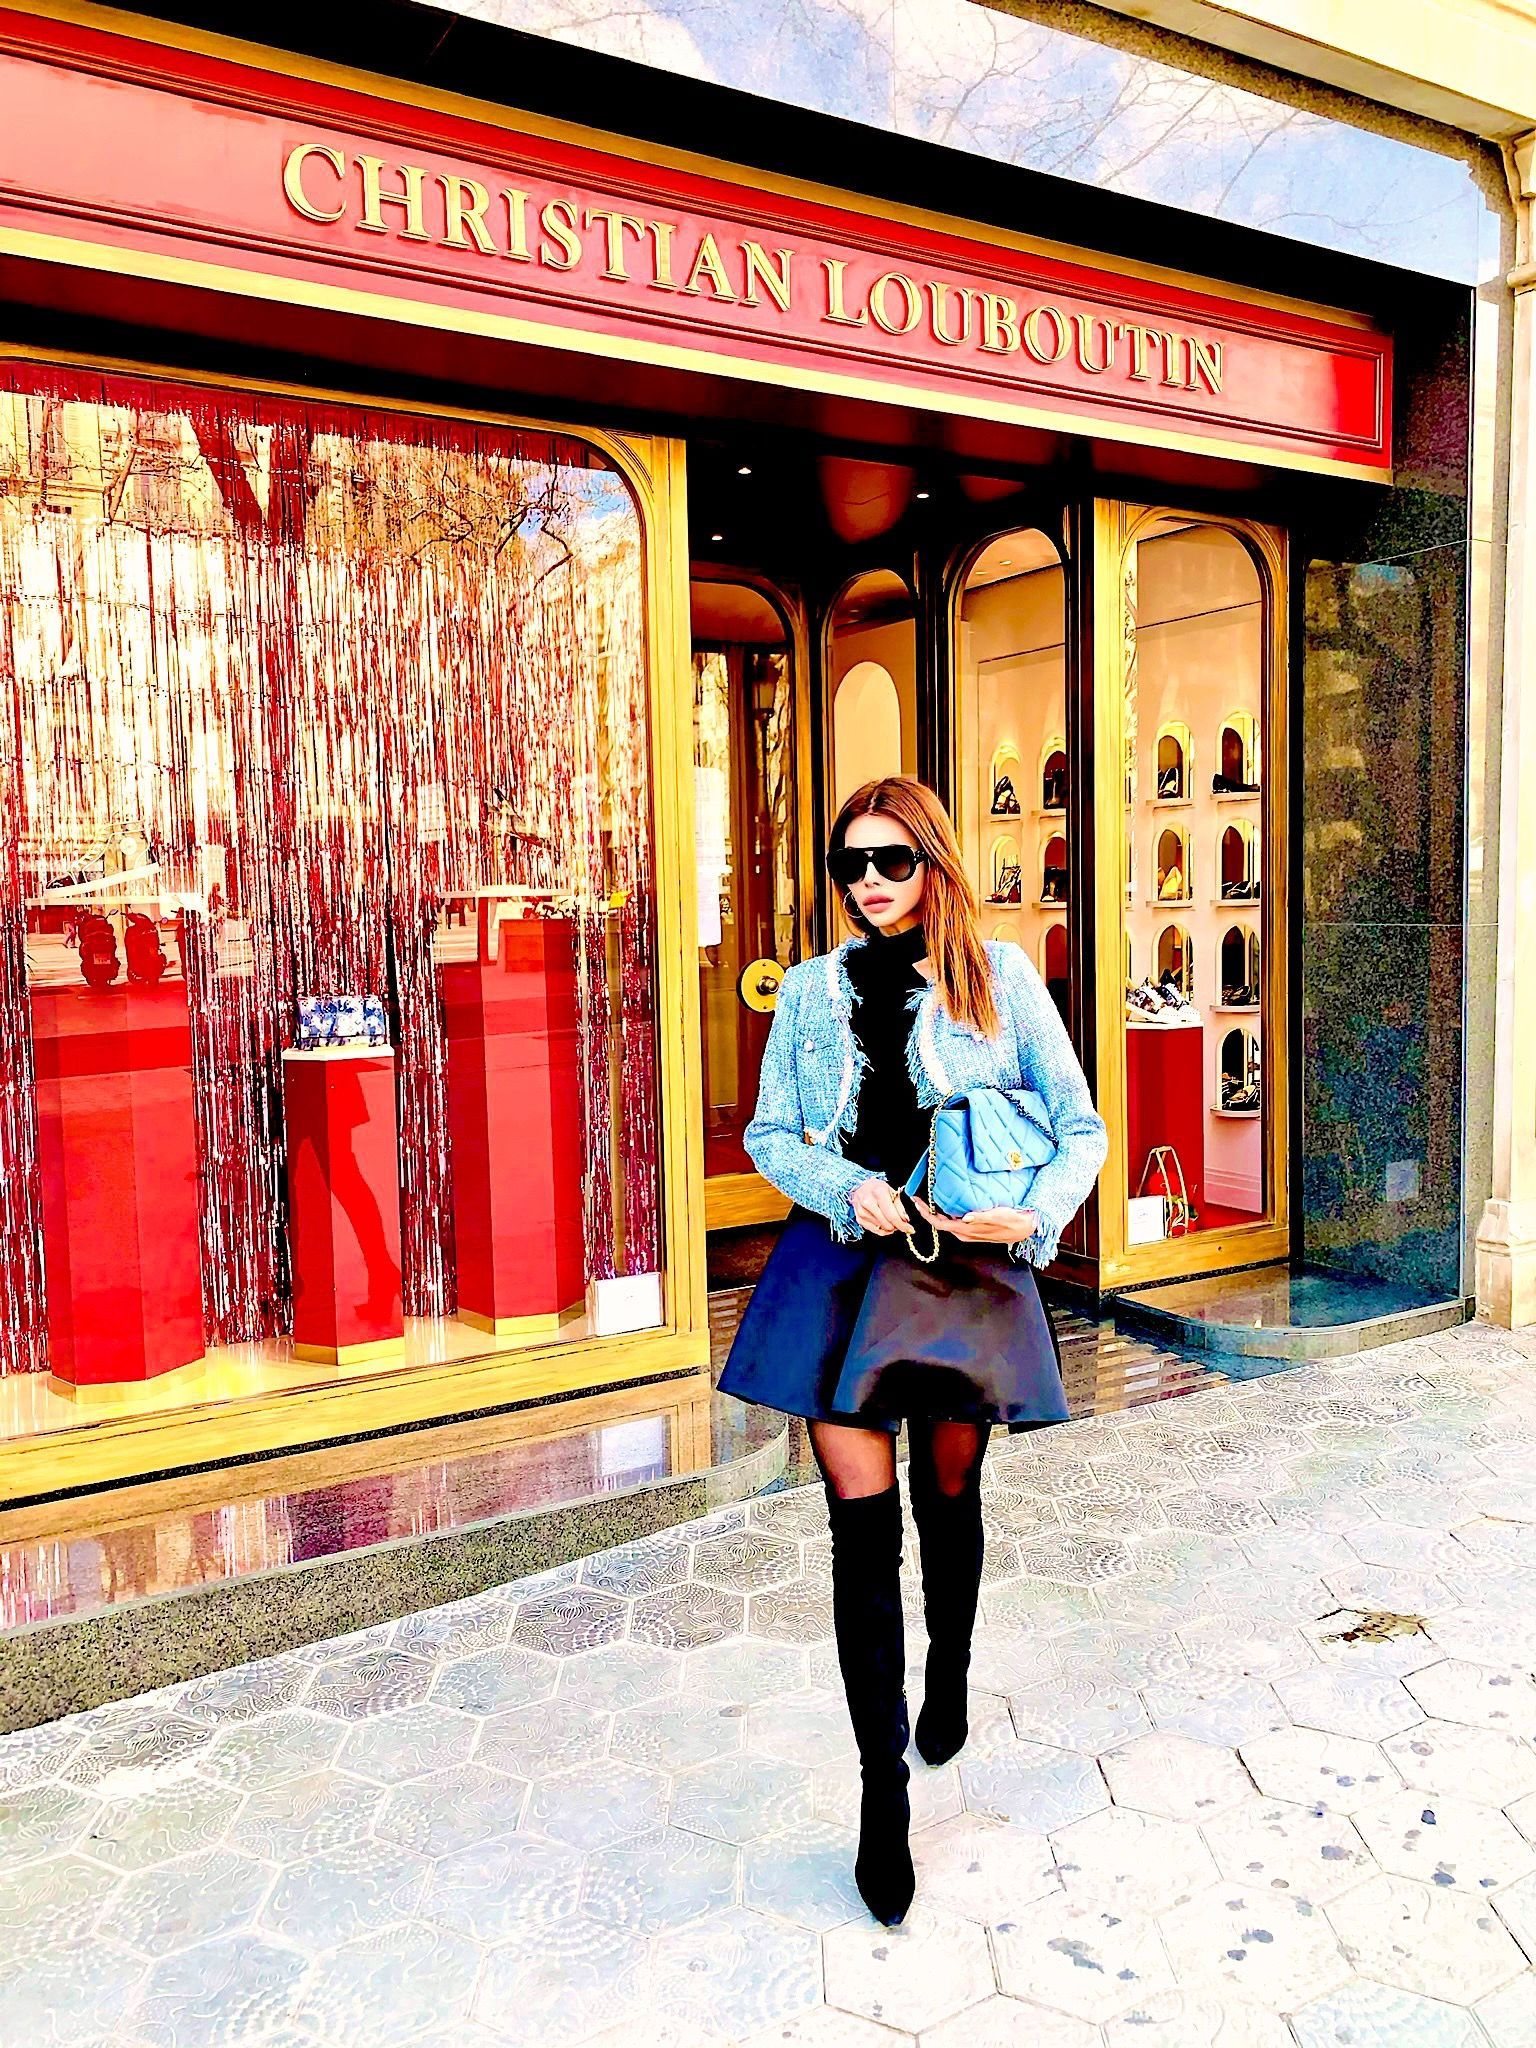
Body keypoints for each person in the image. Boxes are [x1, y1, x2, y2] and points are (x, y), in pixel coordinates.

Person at [719, 776, 1107, 1926]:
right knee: (859, 1532)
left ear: (935, 861)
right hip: (841, 1264)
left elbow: (1080, 1126)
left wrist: (1034, 1215)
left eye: (894, 858)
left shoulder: (1001, 978)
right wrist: (847, 1186)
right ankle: (881, 1791)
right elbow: (769, 1132)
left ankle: (951, 1664)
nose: (873, 881)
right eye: (854, 862)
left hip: (959, 1267)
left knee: (949, 1493)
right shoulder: (808, 991)